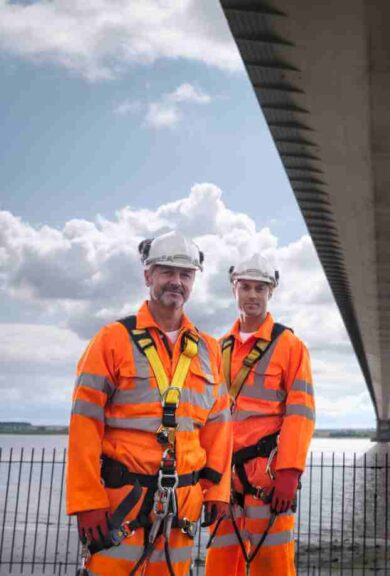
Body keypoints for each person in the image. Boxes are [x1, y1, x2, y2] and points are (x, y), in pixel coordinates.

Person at [66, 231, 232, 576]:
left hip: (183, 506)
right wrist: (86, 501)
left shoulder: (208, 349)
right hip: (121, 503)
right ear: (147, 276)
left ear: (194, 281)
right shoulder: (112, 340)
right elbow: (85, 423)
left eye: (185, 275)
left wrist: (217, 490)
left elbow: (218, 426)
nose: (176, 282)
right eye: (166, 272)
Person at [205, 254, 315, 576]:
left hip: (266, 479)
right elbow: (206, 415)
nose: (252, 295)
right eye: (246, 287)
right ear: (234, 290)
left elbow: (301, 413)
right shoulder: (217, 347)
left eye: (260, 289)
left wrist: (290, 473)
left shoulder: (289, 346)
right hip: (223, 479)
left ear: (271, 293)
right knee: (220, 566)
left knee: (273, 567)